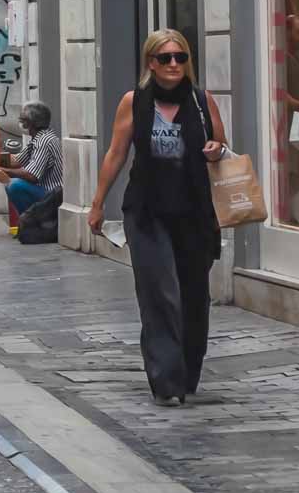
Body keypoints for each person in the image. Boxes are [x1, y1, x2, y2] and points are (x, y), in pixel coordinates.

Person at [88, 30, 226, 406]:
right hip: (147, 211)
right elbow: (116, 153)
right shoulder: (135, 102)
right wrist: (98, 202)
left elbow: (221, 149)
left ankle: (187, 370)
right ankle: (166, 381)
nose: (173, 65)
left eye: (180, 57)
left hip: (195, 212)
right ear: (151, 62)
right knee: (159, 293)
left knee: (194, 295)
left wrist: (216, 150)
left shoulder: (201, 101)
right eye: (164, 58)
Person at [0, 102, 63, 217]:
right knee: (11, 183)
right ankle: (28, 221)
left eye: (23, 120)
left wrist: (2, 171)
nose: (21, 124)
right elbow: (16, 161)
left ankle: (30, 222)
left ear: (32, 123)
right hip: (46, 190)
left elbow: (32, 176)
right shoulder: (37, 138)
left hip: (52, 195)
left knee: (14, 185)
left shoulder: (43, 141)